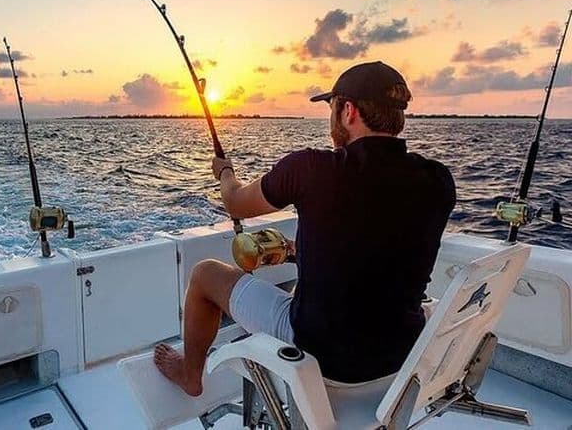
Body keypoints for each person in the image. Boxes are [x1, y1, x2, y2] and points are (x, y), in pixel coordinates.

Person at [154, 61, 456, 396]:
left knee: (205, 274)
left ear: (349, 111)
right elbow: (380, 245)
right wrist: (298, 251)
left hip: (323, 355)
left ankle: (190, 374)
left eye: (332, 106)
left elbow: (236, 203)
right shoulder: (437, 180)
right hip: (400, 354)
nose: (330, 118)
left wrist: (225, 172)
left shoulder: (310, 169)